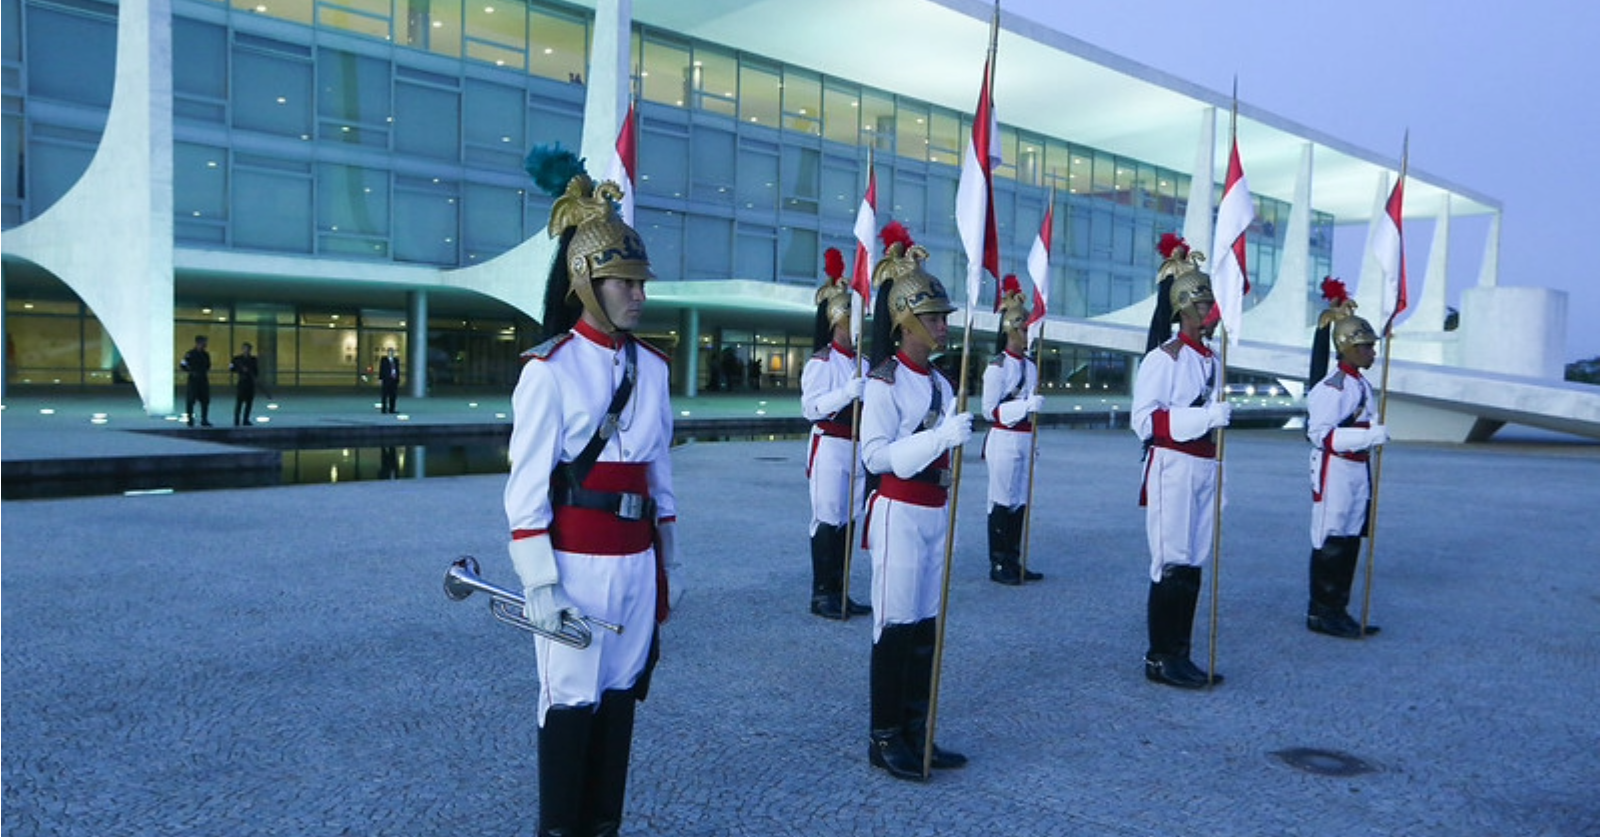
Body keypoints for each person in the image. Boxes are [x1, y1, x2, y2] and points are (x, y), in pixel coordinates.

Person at [503, 169, 679, 837]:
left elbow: (659, 474)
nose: (638, 293)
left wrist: (672, 558)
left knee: (620, 701)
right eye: (625, 281)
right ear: (586, 281)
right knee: (571, 705)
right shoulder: (547, 370)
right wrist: (540, 582)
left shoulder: (654, 369)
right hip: (575, 568)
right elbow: (524, 494)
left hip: (637, 567)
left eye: (640, 281)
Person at [859, 221, 971, 781]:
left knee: (926, 624)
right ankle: (884, 736)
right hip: (898, 510)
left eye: (945, 316)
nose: (943, 325)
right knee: (896, 622)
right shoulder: (882, 382)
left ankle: (917, 730)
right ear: (904, 320)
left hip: (933, 509)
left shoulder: (944, 383)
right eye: (933, 317)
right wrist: (938, 438)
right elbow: (875, 457)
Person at [1131, 237, 1231, 689]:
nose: (1212, 310)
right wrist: (1203, 417)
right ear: (1185, 309)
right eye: (1205, 302)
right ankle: (1160, 656)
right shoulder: (1162, 358)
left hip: (1203, 465)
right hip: (1172, 465)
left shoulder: (1212, 359)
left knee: (1193, 560)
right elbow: (1145, 420)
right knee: (1171, 560)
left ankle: (1182, 652)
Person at [1303, 277, 1386, 639]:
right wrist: (1366, 435)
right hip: (1335, 468)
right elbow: (1320, 433)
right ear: (1347, 347)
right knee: (1332, 537)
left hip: (1357, 468)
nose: (1373, 352)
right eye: (1366, 347)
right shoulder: (1331, 387)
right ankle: (1321, 611)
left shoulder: (1362, 385)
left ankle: (1339, 608)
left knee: (1351, 537)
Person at [800, 247, 872, 620]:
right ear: (835, 322)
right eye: (850, 320)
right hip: (829, 444)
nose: (856, 327)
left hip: (857, 445)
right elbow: (809, 408)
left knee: (849, 518)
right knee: (828, 517)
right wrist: (846, 393)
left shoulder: (866, 361)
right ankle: (821, 593)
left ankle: (842, 591)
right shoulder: (822, 361)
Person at [980, 275, 1045, 586]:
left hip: (1024, 438)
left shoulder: (1031, 366)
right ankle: (998, 562)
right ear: (1010, 329)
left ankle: (1015, 558)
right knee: (1002, 498)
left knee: (1019, 498)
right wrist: (1024, 407)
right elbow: (989, 410)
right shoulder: (997, 367)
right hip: (1004, 437)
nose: (1027, 333)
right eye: (1023, 328)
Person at [181, 335, 213, 427]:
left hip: (203, 379)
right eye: (204, 342)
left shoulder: (205, 354)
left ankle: (204, 419)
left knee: (205, 400)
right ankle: (190, 420)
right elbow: (183, 365)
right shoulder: (190, 354)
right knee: (191, 400)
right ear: (198, 343)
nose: (205, 344)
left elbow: (208, 365)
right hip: (193, 380)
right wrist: (191, 371)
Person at [229, 342, 259, 426]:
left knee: (249, 403)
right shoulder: (237, 359)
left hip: (250, 383)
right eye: (245, 349)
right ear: (242, 349)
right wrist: (241, 369)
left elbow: (256, 371)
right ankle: (237, 420)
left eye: (248, 349)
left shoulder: (253, 359)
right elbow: (231, 368)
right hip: (242, 382)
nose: (246, 351)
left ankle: (246, 419)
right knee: (239, 402)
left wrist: (252, 374)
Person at [378, 347, 400, 414]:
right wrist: (381, 378)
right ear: (388, 353)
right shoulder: (384, 360)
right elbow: (381, 369)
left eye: (392, 352)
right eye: (390, 352)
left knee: (393, 395)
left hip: (393, 380)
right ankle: (384, 409)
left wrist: (397, 378)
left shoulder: (396, 360)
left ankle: (392, 409)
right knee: (384, 395)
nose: (391, 353)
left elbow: (397, 369)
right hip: (386, 380)